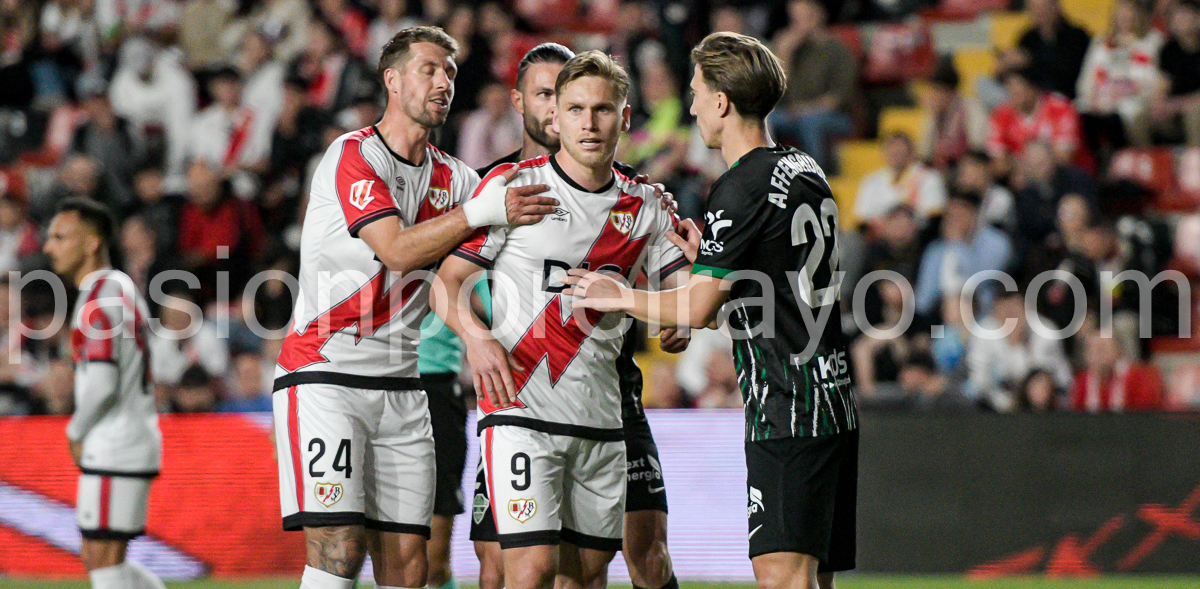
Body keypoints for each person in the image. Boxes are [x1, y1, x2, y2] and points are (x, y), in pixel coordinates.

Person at [566, 32, 858, 589]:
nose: (693, 104)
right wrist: (717, 261)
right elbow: (780, 284)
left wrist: (618, 296)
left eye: (698, 91)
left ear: (722, 101)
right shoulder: (804, 167)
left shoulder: (739, 186)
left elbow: (697, 311)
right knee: (815, 578)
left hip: (788, 404)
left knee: (783, 578)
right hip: (833, 398)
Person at [270, 26, 556, 589]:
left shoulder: (459, 179)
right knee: (339, 551)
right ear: (392, 80)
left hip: (405, 386)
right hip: (327, 376)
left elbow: (472, 269)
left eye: (450, 72)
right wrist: (481, 212)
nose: (443, 82)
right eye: (429, 69)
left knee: (410, 566)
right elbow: (397, 251)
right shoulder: (352, 154)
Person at [433, 51, 689, 589]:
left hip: (601, 418)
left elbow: (682, 292)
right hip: (520, 412)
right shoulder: (515, 187)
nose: (588, 123)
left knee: (583, 576)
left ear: (624, 118)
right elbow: (445, 284)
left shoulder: (644, 204)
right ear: (558, 117)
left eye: (601, 110)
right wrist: (478, 342)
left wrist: (678, 317)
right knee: (526, 572)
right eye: (575, 109)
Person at [42, 198, 165, 589]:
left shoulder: (98, 300)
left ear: (92, 242)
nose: (49, 247)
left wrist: (75, 431)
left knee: (102, 561)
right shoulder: (122, 287)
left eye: (60, 237)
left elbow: (102, 383)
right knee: (103, 558)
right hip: (131, 436)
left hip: (116, 442)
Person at [853, 131, 946, 228]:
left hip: (917, 235)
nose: (896, 157)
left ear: (912, 154)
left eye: (900, 153)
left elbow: (932, 214)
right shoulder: (871, 181)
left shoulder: (929, 178)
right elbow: (862, 216)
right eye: (892, 153)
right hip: (879, 235)